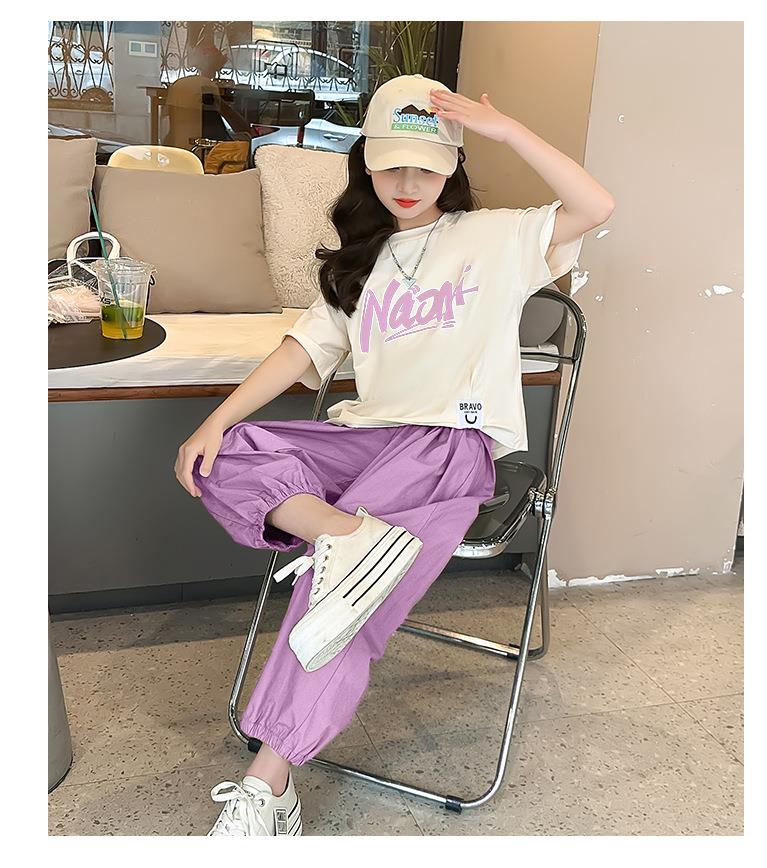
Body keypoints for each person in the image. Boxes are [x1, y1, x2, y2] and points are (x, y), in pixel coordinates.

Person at [173, 73, 614, 836]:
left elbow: (595, 205)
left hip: (448, 445)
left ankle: (267, 786)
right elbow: (299, 351)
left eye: (426, 166)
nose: (407, 184)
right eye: (389, 166)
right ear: (366, 167)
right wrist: (214, 421)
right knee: (231, 451)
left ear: (451, 167)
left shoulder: (497, 238)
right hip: (364, 439)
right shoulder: (360, 261)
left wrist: (506, 129)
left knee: (338, 597)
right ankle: (348, 538)